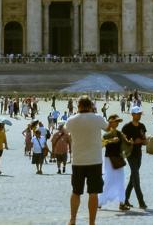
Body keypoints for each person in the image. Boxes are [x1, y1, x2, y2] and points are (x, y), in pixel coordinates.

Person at [65, 95, 108, 225]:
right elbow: (108, 128)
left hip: (78, 161)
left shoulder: (72, 120)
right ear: (90, 106)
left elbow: (66, 131)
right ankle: (92, 222)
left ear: (78, 106)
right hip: (95, 160)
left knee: (76, 192)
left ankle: (72, 219)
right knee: (93, 193)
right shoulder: (98, 118)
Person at [97, 115, 129, 211]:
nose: (117, 123)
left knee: (121, 180)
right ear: (110, 122)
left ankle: (122, 203)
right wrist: (110, 141)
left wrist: (129, 143)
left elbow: (126, 145)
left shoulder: (120, 134)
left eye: (118, 122)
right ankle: (99, 202)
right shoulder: (106, 134)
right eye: (116, 121)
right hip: (109, 159)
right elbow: (101, 144)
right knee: (108, 179)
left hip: (118, 159)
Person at [121, 106, 148, 209]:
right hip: (130, 154)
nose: (139, 115)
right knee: (136, 177)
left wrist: (139, 141)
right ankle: (141, 202)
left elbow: (145, 141)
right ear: (132, 114)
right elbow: (122, 142)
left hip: (139, 154)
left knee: (133, 177)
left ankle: (125, 199)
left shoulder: (142, 126)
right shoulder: (126, 127)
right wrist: (130, 143)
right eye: (138, 114)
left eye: (140, 114)